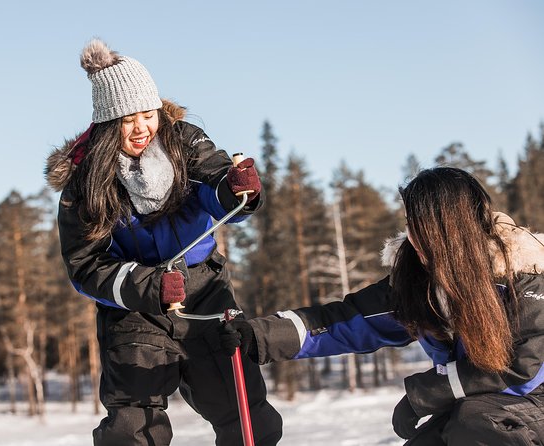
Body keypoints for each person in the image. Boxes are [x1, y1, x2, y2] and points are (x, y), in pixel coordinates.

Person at [45, 39, 282, 446]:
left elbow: (216, 183)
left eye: (147, 114)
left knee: (248, 421)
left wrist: (237, 189)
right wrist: (146, 285)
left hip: (204, 294)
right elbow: (84, 264)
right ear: (106, 123)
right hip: (134, 309)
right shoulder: (85, 183)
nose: (141, 128)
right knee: (130, 432)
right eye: (127, 118)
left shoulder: (184, 141)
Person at [219, 167, 544, 445]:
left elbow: (521, 370)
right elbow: (346, 321)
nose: (410, 235)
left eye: (416, 224)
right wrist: (260, 335)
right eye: (408, 223)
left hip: (526, 405)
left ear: (444, 228)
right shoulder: (422, 282)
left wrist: (424, 394)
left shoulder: (523, 276)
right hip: (478, 407)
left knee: (473, 425)